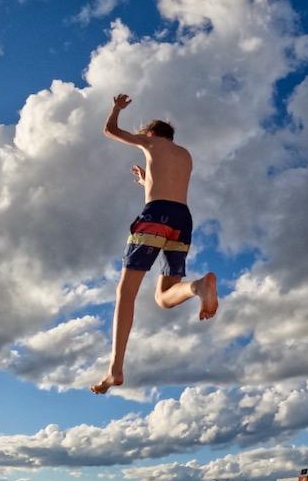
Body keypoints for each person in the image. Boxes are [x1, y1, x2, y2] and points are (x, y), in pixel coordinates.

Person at [90, 93, 219, 395]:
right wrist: (145, 181)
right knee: (163, 297)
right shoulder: (185, 155)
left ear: (150, 134)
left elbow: (110, 130)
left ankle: (115, 369)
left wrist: (116, 108)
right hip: (182, 219)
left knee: (126, 292)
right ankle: (197, 287)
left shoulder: (150, 143)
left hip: (155, 215)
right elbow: (166, 188)